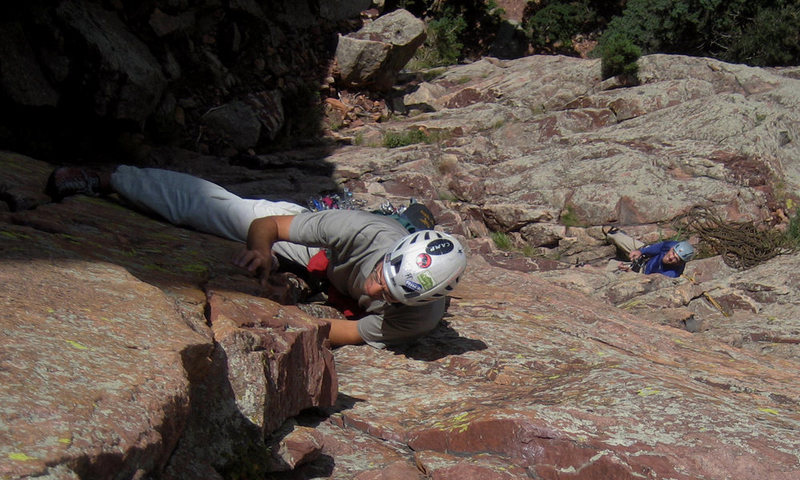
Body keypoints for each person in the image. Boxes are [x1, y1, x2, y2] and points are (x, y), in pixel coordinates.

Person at [46, 165, 468, 348]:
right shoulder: (364, 230)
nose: (375, 288)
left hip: (330, 275)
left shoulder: (419, 318)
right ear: (390, 251)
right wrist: (260, 252)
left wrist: (278, 313)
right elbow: (271, 226)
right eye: (381, 274)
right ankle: (111, 178)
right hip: (323, 249)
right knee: (224, 210)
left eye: (391, 294)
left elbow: (339, 332)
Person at [604, 227, 695, 278]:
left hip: (642, 274)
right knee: (616, 237)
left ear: (680, 263)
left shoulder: (670, 274)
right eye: (672, 253)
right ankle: (609, 233)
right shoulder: (672, 245)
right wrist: (641, 251)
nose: (671, 257)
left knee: (611, 269)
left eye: (676, 259)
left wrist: (630, 272)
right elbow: (659, 247)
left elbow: (649, 282)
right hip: (646, 257)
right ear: (672, 248)